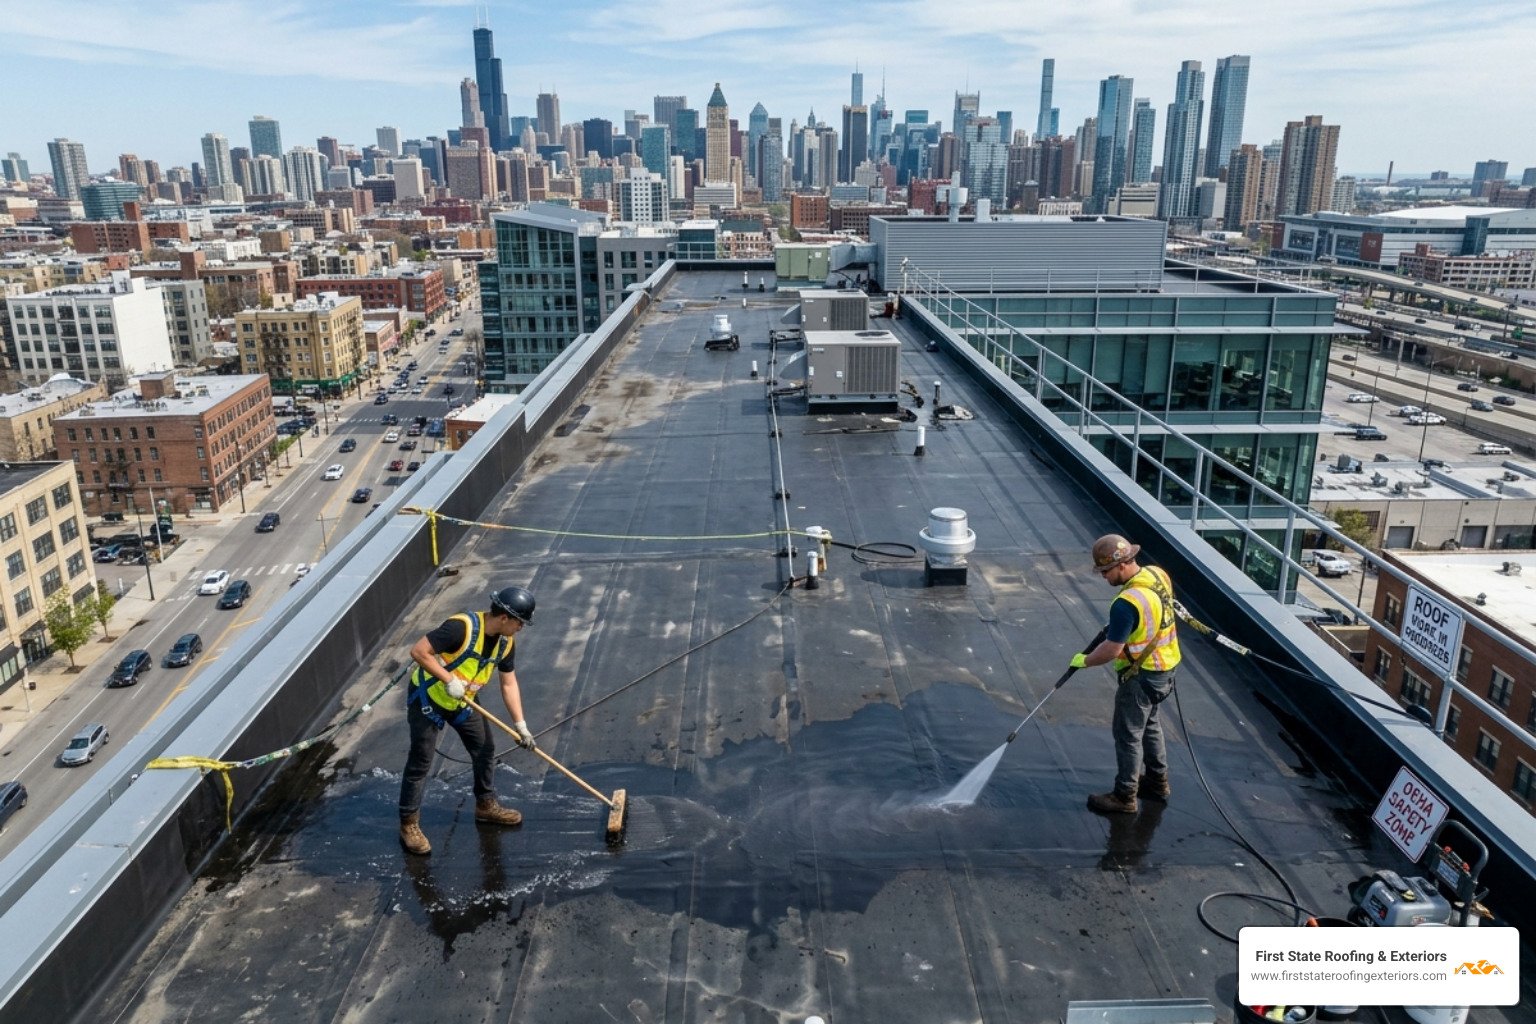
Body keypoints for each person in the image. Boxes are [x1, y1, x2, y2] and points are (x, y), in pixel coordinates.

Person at [398, 586, 538, 855]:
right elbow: (418, 651)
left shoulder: (506, 642)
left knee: (484, 749)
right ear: (505, 617)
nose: (521, 628)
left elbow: (508, 683)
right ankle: (408, 825)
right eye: (520, 622)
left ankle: (485, 805)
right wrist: (448, 679)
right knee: (421, 762)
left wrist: (520, 726)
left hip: (463, 701)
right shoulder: (460, 628)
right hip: (429, 699)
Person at [1069, 535, 1182, 815]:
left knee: (1128, 734)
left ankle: (1124, 796)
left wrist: (1086, 660)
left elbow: (1111, 650)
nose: (1104, 577)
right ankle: (1157, 782)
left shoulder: (1125, 603)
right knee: (1151, 725)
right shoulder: (1157, 574)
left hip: (1141, 677)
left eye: (1105, 571)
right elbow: (1154, 616)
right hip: (1166, 668)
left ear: (1120, 565)